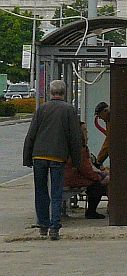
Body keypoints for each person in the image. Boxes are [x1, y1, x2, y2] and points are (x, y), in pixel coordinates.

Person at [22, 80, 83, 240]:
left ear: (50, 93)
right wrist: (77, 162)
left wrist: (27, 157)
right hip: (58, 156)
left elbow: (31, 134)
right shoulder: (69, 110)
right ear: (64, 93)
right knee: (56, 192)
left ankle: (43, 225)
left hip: (39, 156)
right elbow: (75, 138)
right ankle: (54, 228)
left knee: (40, 191)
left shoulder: (41, 109)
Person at [64, 123, 109, 218]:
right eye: (84, 130)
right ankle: (91, 212)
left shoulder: (78, 146)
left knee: (103, 181)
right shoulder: (79, 148)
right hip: (73, 177)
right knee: (98, 186)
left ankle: (95, 210)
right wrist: (98, 177)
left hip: (73, 175)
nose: (87, 132)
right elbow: (84, 168)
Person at [93, 101, 111, 167]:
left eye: (100, 115)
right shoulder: (109, 119)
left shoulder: (112, 120)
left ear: (105, 111)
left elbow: (108, 143)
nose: (100, 118)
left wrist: (98, 161)